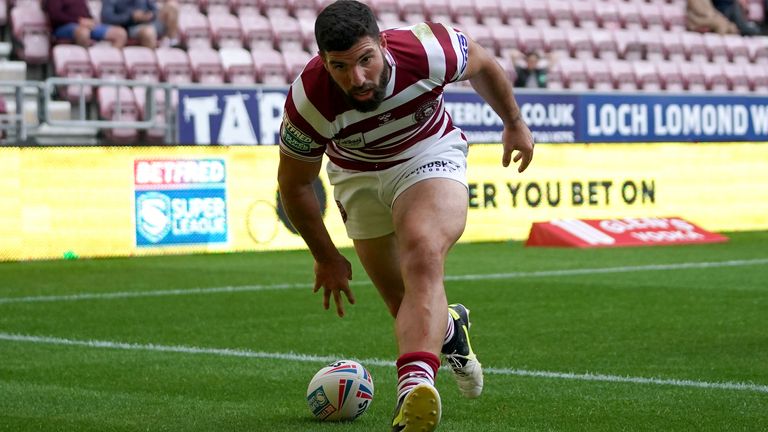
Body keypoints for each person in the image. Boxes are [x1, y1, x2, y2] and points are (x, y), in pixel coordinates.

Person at [276, 1, 534, 431]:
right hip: (356, 175)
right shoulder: (309, 99)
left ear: (382, 43)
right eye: (340, 66)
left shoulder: (429, 49)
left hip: (427, 153)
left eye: (365, 60)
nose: (356, 78)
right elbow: (295, 184)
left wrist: (513, 121)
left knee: (422, 251)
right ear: (323, 61)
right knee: (404, 303)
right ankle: (451, 330)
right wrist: (325, 256)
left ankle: (412, 391)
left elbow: (485, 64)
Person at [46, 0, 128, 48]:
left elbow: (85, 13)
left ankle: (109, 64)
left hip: (85, 25)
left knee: (120, 33)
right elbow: (55, 15)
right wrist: (78, 21)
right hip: (64, 27)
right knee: (83, 32)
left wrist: (91, 20)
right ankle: (85, 64)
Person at [100, 0, 179, 48]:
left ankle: (172, 43)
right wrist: (131, 17)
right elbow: (107, 18)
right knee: (149, 31)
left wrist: (150, 15)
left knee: (171, 8)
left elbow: (155, 10)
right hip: (130, 27)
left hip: (150, 22)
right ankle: (154, 60)